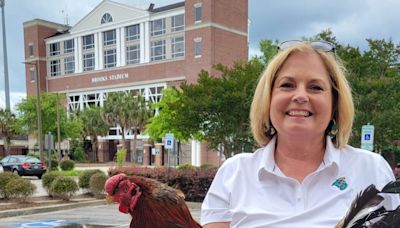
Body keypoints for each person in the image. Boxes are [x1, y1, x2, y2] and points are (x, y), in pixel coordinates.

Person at [200, 40, 399, 227]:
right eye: (287, 85)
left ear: (335, 104)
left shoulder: (371, 169)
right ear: (267, 99)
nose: (301, 96)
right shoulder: (234, 173)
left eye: (315, 87)